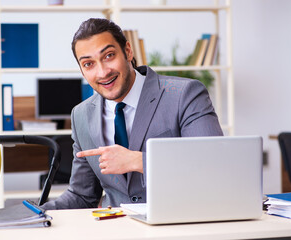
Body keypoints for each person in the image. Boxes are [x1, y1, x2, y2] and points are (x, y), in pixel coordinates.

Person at [41, 18, 223, 210]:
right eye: (88, 64)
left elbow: (211, 164)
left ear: (128, 51)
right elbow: (82, 196)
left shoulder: (184, 95)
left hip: (178, 225)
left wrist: (139, 161)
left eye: (109, 55)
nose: (102, 72)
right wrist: (37, 213)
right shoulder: (81, 115)